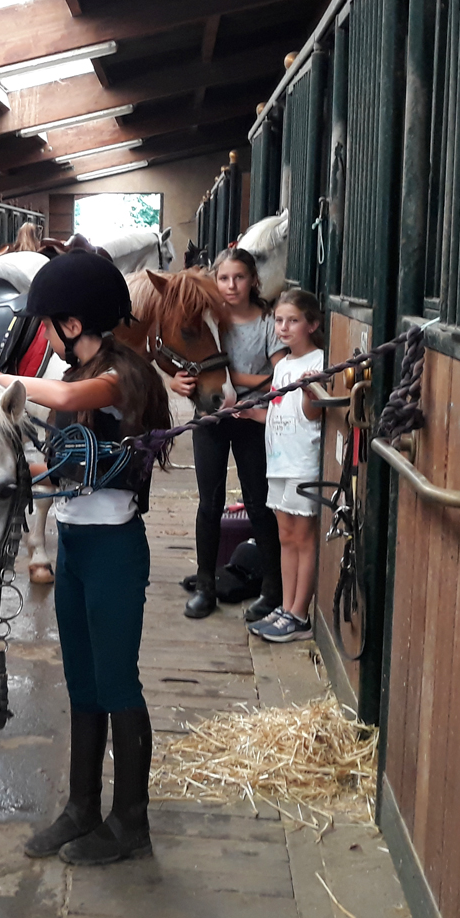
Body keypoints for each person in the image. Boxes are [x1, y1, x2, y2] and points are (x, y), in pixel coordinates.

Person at [0, 253, 172, 866]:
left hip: (114, 550)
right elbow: (57, 464)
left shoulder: (121, 376)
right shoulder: (70, 373)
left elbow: (63, 393)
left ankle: (130, 819)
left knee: (116, 682)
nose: (49, 335)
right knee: (82, 682)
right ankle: (83, 805)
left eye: (51, 324)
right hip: (76, 547)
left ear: (74, 322)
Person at [173, 247, 284, 622]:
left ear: (253, 280)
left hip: (253, 416)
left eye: (238, 277)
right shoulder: (209, 318)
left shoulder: (269, 322)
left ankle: (273, 588)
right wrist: (178, 379)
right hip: (212, 416)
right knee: (209, 501)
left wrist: (224, 379)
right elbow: (176, 351)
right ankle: (206, 585)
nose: (231, 285)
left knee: (259, 501)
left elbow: (277, 376)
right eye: (223, 278)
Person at [242, 289, 330, 642]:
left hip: (302, 462)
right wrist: (251, 413)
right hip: (277, 463)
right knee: (285, 537)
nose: (284, 327)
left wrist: (311, 395)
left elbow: (313, 415)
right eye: (279, 320)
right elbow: (279, 414)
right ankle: (285, 606)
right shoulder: (281, 367)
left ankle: (299, 614)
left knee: (303, 538)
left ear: (312, 324)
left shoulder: (320, 363)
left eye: (293, 320)